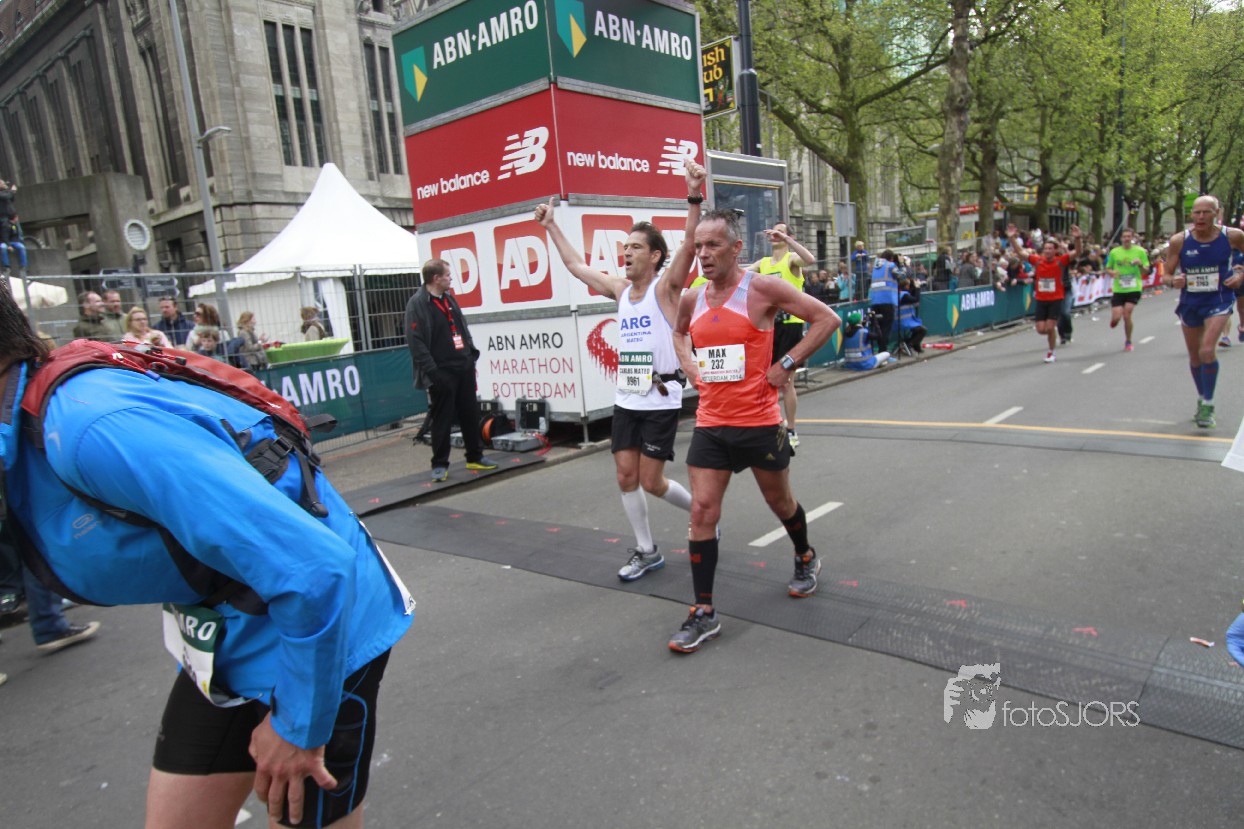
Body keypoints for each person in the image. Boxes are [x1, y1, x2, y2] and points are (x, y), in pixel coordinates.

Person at [0, 282, 414, 826]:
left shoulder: (92, 427)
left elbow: (314, 568)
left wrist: (298, 727)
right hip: (228, 632)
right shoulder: (32, 420)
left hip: (318, 627)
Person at [669, 209, 839, 653]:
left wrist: (786, 364)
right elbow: (679, 334)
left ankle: (805, 555)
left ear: (736, 248)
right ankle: (703, 610)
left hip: (759, 422)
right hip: (711, 424)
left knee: (780, 503)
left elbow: (826, 319)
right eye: (698, 246)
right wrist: (690, 367)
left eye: (712, 245)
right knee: (702, 511)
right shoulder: (693, 297)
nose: (703, 254)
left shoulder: (761, 288)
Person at [535, 160, 704, 582]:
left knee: (652, 481)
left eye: (635, 248)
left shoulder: (667, 289)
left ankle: (703, 512)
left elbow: (689, 245)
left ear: (655, 256)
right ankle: (647, 551)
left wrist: (693, 195)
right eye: (624, 247)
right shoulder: (620, 290)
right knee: (626, 476)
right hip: (628, 397)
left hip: (660, 399)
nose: (626, 253)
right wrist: (551, 225)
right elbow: (576, 267)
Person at [405, 259, 499, 482]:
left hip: (463, 366)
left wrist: (470, 356)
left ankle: (475, 456)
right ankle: (439, 464)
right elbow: (415, 341)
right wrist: (433, 372)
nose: (451, 278)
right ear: (436, 278)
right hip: (441, 371)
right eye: (447, 275)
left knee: (470, 414)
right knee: (442, 419)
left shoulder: (448, 299)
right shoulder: (417, 304)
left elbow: (461, 328)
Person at [1162, 195, 1244, 428]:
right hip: (1190, 301)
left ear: (1216, 214)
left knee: (1207, 349)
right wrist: (1173, 281)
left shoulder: (1233, 236)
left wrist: (1240, 275)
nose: (1200, 217)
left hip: (1219, 298)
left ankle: (1208, 403)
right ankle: (1202, 396)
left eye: (1206, 212)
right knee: (1196, 356)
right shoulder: (1179, 240)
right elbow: (1166, 274)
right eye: (1196, 212)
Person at [743, 222, 816, 448]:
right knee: (764, 380)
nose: (775, 234)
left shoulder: (791, 259)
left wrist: (786, 239)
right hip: (769, 327)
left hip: (790, 326)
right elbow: (738, 275)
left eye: (781, 232)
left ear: (788, 236)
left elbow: (810, 259)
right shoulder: (763, 263)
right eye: (773, 231)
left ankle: (791, 429)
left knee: (785, 381)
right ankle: (769, 425)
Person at [1007, 223, 1081, 363]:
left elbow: (1077, 252)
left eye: (1050, 249)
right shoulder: (1038, 261)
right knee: (1041, 329)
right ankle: (1053, 334)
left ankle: (1051, 352)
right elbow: (1021, 253)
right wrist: (1012, 238)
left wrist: (1077, 238)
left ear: (1055, 250)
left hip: (1056, 299)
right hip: (1041, 299)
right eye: (1046, 248)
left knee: (1050, 326)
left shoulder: (1061, 261)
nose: (1047, 251)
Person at [1104, 228, 1149, 352]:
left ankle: (1128, 341)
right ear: (1121, 238)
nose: (1127, 239)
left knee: (1127, 314)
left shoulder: (1140, 251)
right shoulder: (1114, 252)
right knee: (1116, 317)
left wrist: (1140, 264)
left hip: (1134, 287)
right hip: (1119, 288)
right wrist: (1112, 272)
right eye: (1124, 237)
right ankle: (1115, 320)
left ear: (1132, 238)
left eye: (1129, 236)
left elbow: (1146, 270)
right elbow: (1107, 268)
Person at [868, 249, 900, 353]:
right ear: (891, 258)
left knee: (878, 328)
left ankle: (878, 350)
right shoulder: (891, 265)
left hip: (875, 301)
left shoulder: (875, 267)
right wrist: (901, 264)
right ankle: (883, 352)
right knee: (886, 327)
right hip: (888, 300)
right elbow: (901, 275)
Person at [897, 277, 927, 353]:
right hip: (903, 322)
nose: (910, 287)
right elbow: (916, 299)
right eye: (909, 285)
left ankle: (915, 346)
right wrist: (917, 288)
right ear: (905, 286)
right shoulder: (903, 296)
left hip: (904, 320)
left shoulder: (901, 294)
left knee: (918, 328)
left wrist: (915, 288)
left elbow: (913, 296)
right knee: (922, 330)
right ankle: (909, 344)